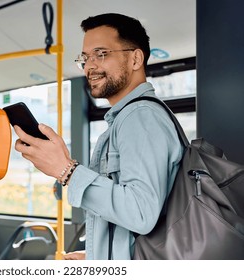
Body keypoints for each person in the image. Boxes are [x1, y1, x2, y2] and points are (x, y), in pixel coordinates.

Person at [14, 13, 183, 260]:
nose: (89, 66)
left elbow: (141, 213)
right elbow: (134, 222)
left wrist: (67, 170)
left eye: (101, 54)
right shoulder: (126, 118)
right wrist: (97, 256)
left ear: (136, 58)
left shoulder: (141, 116)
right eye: (85, 57)